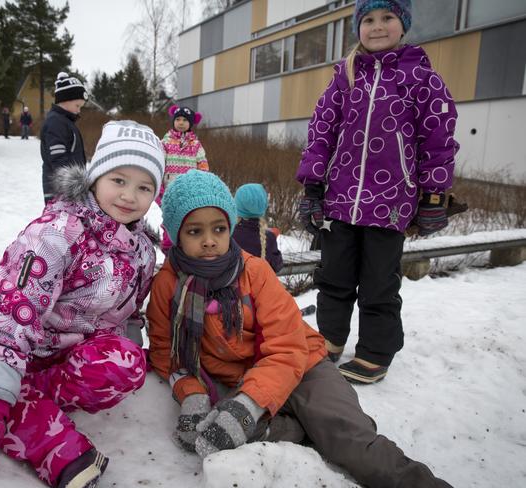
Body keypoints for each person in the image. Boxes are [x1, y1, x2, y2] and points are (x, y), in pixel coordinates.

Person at [147, 169, 452, 488]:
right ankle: (287, 429)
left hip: (303, 367)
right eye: (195, 231)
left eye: (219, 228)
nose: (209, 241)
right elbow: (166, 351)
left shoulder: (254, 272)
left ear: (231, 227)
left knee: (352, 443)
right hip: (245, 379)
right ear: (175, 234)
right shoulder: (169, 284)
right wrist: (192, 396)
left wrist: (248, 405)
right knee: (214, 430)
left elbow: (287, 347)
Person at [0, 120, 165, 488]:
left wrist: (126, 350)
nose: (130, 196)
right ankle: (59, 448)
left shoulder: (142, 253)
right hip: (23, 351)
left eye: (144, 187)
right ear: (95, 176)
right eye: (119, 180)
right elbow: (15, 307)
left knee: (126, 363)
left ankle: (20, 396)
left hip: (74, 366)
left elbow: (130, 315)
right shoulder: (56, 233)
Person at [296, 0, 459, 383]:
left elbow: (438, 139)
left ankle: (375, 352)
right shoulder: (346, 76)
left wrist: (434, 194)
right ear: (358, 28)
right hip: (340, 200)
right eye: (368, 19)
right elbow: (321, 133)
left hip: (390, 203)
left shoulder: (421, 78)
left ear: (403, 25)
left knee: (378, 283)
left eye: (387, 17)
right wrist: (313, 186)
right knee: (333, 276)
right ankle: (330, 340)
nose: (377, 26)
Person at [158, 105, 209, 252]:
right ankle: (168, 247)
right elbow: (160, 163)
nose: (181, 122)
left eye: (185, 120)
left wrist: (202, 182)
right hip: (169, 189)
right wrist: (159, 186)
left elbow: (202, 164)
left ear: (191, 123)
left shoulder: (195, 144)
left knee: (187, 218)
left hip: (190, 190)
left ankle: (186, 247)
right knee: (169, 217)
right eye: (178, 119)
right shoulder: (166, 142)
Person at [40, 72, 88, 204]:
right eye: (77, 106)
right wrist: (71, 186)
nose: (79, 111)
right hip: (59, 189)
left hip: (70, 189)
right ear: (65, 100)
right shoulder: (56, 123)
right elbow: (58, 159)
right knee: (62, 223)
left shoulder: (65, 122)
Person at [232, 183, 283, 273]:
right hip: (259, 286)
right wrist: (272, 238)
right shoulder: (268, 238)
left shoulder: (228, 234)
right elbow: (277, 266)